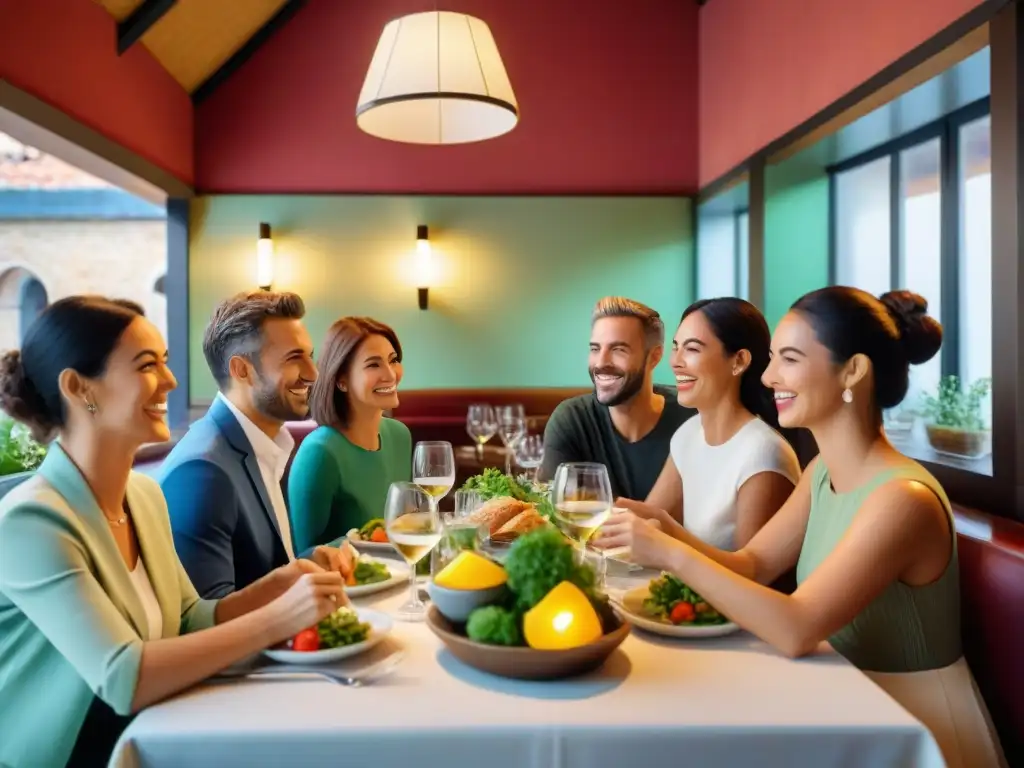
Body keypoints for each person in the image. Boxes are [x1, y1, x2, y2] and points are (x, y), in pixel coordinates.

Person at [598, 287, 1006, 768]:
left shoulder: (903, 500)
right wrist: (668, 528)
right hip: (842, 696)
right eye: (772, 360)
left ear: (853, 371)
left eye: (789, 360)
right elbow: (750, 564)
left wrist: (668, 552)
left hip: (910, 727)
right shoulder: (822, 473)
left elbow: (796, 627)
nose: (768, 377)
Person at [0, 296, 345, 768]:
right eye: (147, 365)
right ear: (80, 388)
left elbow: (190, 617)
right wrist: (280, 617)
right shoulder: (30, 522)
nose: (171, 380)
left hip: (152, 728)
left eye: (164, 361)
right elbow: (123, 678)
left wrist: (278, 586)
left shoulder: (142, 495)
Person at [160, 291, 354, 599]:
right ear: (242, 370)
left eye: (310, 355)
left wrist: (304, 566)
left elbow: (256, 575)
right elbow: (211, 623)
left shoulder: (259, 444)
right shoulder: (203, 472)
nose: (313, 373)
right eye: (294, 358)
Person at [629, 298, 800, 551]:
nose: (675, 361)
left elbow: (751, 579)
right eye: (676, 347)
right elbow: (649, 522)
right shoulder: (688, 433)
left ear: (739, 361)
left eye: (693, 349)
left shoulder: (764, 453)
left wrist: (666, 534)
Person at [539, 297, 694, 499]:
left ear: (654, 357)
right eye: (595, 349)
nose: (601, 362)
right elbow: (557, 514)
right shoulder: (571, 420)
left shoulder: (692, 416)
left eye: (618, 349)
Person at [288, 317, 412, 554]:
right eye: (373, 365)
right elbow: (302, 557)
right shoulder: (319, 453)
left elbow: (405, 526)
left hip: (398, 578)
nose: (390, 374)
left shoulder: (400, 436)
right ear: (341, 381)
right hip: (344, 587)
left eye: (393, 360)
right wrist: (363, 542)